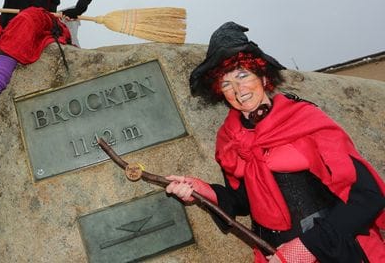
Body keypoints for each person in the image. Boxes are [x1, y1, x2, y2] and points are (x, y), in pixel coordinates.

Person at [165, 22, 385, 262]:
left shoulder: (305, 120)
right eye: (226, 83)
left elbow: (367, 197)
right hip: (275, 255)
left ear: (262, 75)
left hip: (338, 252)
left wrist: (308, 247)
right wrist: (204, 191)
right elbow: (245, 201)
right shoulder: (229, 139)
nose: (238, 90)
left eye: (242, 75)